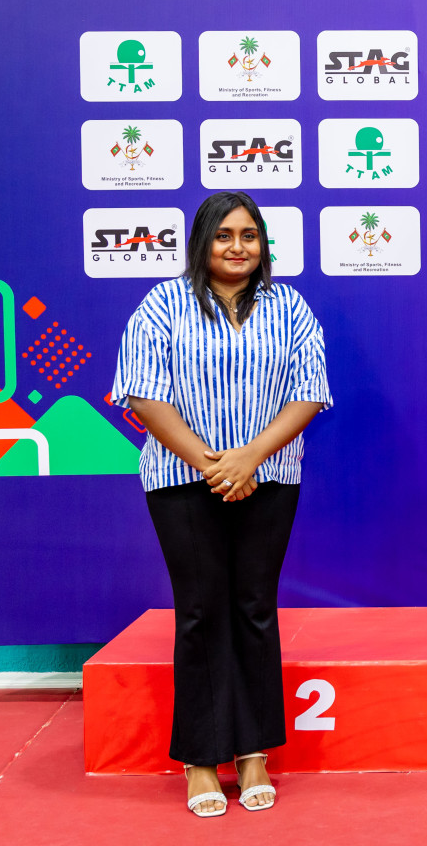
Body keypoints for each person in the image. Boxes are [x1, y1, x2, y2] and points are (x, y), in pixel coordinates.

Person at [113, 191, 331, 817]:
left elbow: (309, 393)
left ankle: (255, 752)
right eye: (224, 235)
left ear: (264, 245)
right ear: (202, 243)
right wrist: (214, 464)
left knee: (256, 608)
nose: (238, 247)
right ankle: (201, 761)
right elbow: (144, 397)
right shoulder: (163, 304)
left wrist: (248, 459)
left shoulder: (289, 307)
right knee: (202, 611)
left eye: (250, 236)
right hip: (183, 480)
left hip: (269, 477)